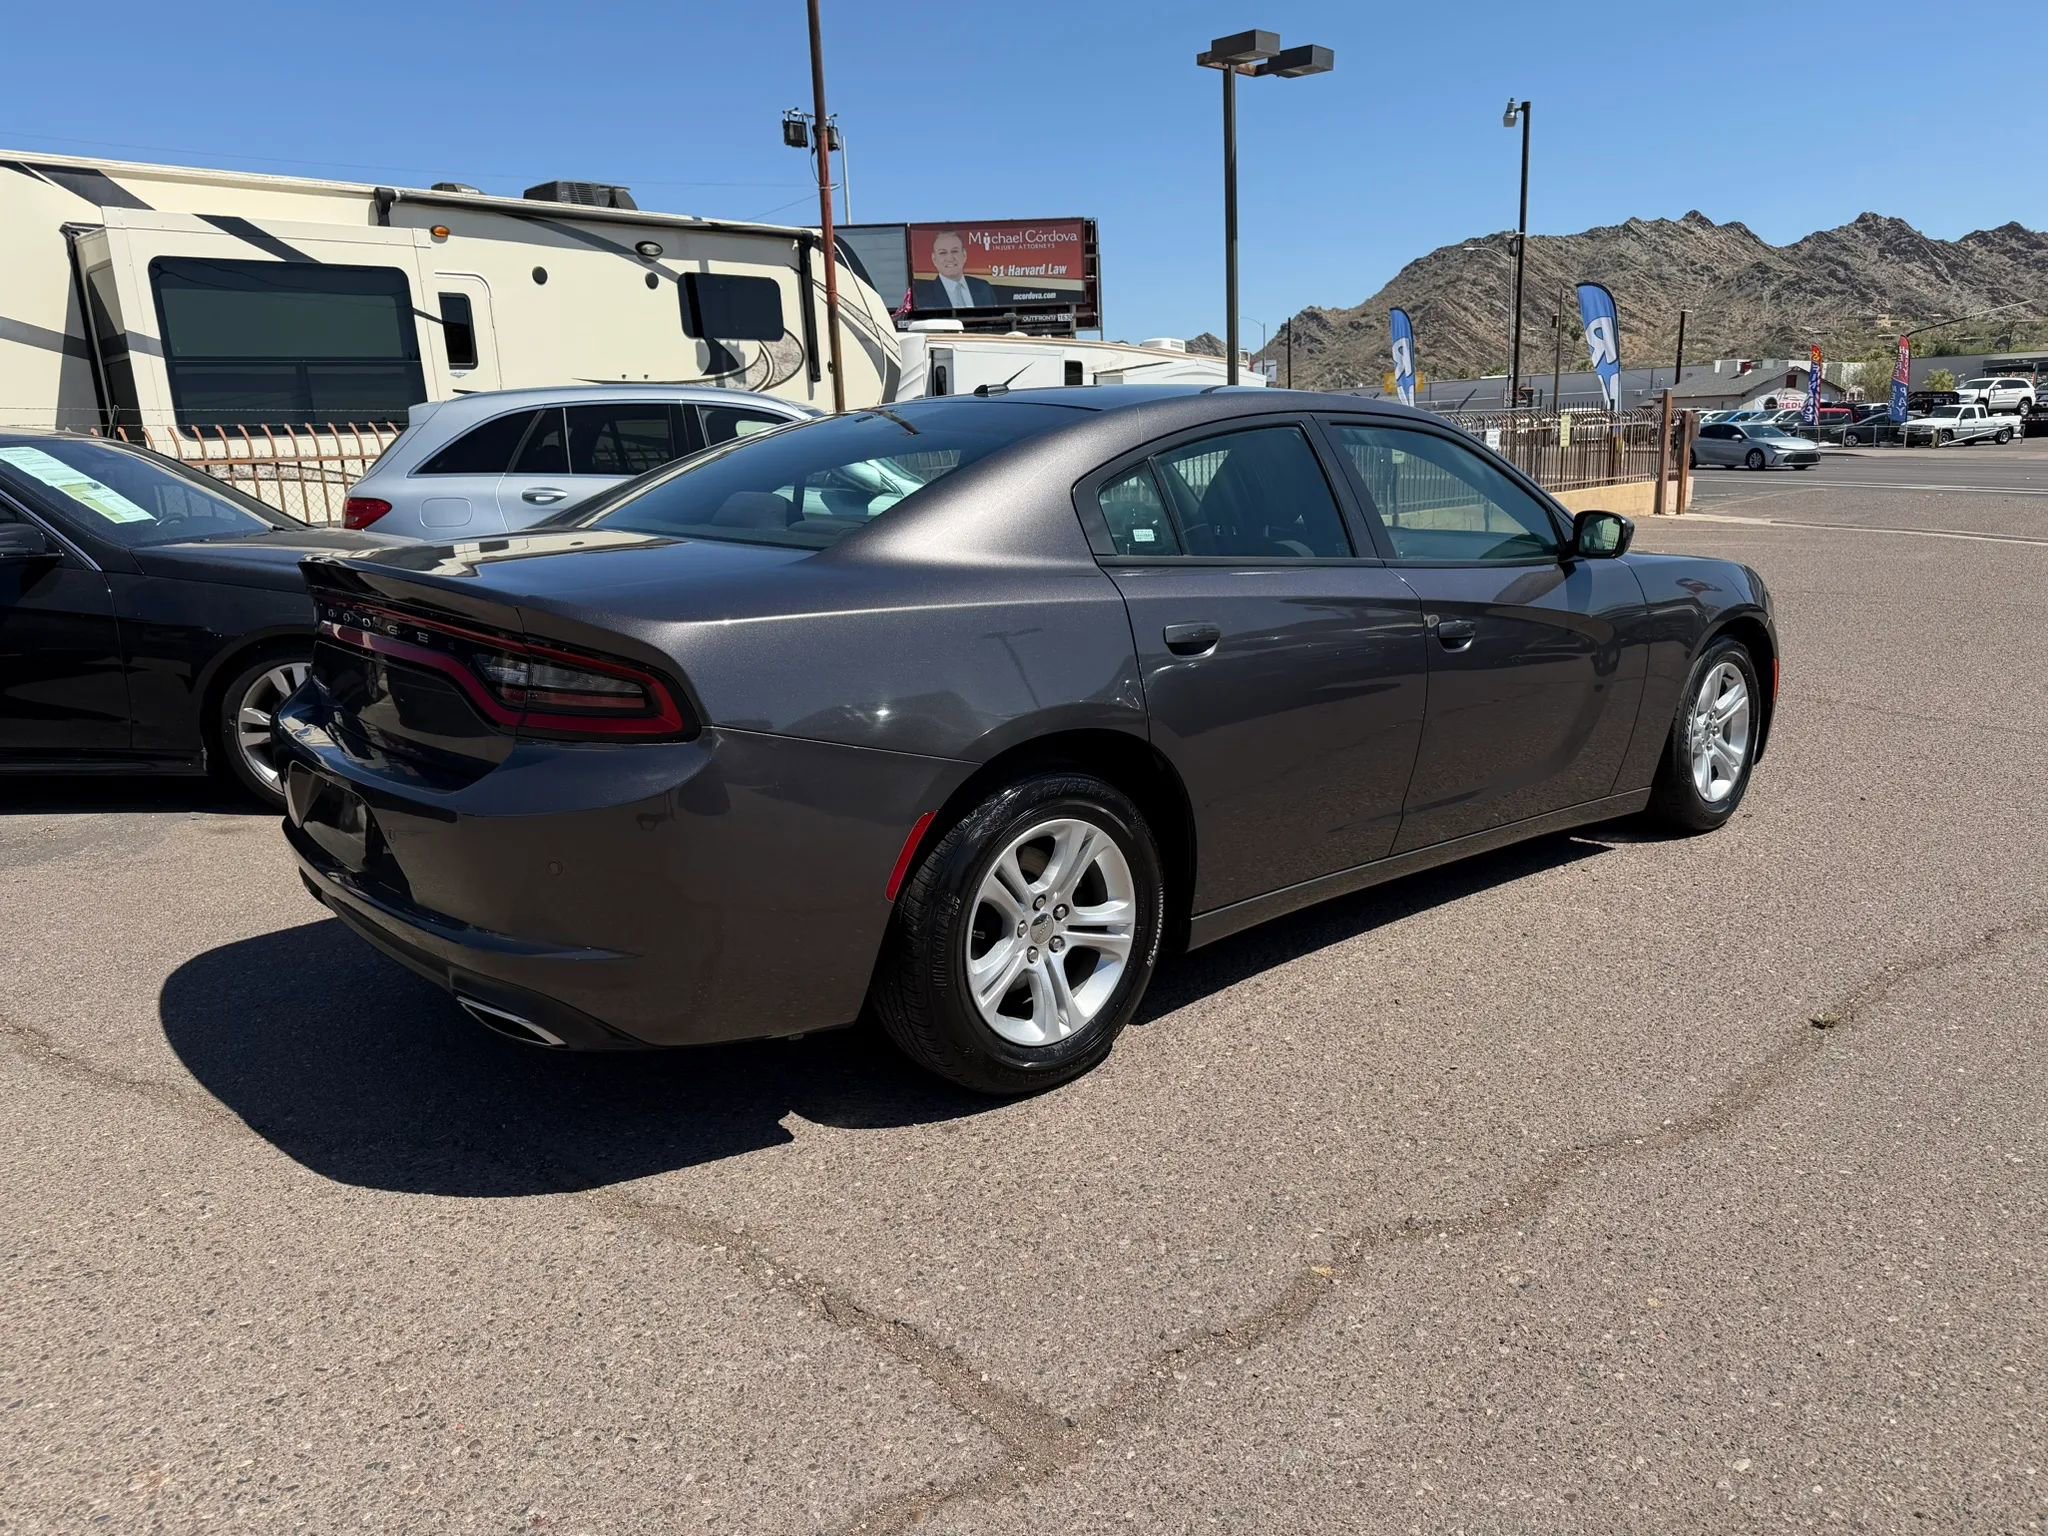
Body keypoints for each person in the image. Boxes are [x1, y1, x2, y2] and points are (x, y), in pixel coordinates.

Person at [912, 231, 1000, 311]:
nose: (950, 258)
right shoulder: (921, 297)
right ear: (934, 259)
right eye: (943, 253)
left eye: (954, 251)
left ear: (964, 255)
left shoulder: (983, 288)